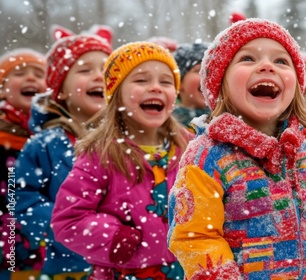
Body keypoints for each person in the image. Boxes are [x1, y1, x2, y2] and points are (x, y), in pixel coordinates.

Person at [167, 18, 306, 280]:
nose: (267, 66)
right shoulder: (206, 157)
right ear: (220, 81)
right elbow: (196, 237)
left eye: (281, 61)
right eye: (248, 58)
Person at [51, 41, 192, 279]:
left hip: (184, 270)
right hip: (122, 272)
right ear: (116, 94)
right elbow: (68, 220)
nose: (156, 88)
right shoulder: (100, 153)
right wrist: (112, 237)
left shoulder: (191, 147)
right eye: (141, 80)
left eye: (166, 82)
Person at [14, 25, 113, 279]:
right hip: (65, 263)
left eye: (105, 70)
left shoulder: (121, 141)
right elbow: (22, 197)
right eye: (84, 70)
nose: (97, 77)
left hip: (118, 262)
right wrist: (66, 226)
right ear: (61, 89)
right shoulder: (43, 144)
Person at [0, 48, 46, 279]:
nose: (31, 78)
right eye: (20, 73)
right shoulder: (2, 134)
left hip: (42, 243)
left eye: (39, 74)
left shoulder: (53, 136)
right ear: (2, 87)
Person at [172, 41, 210, 129]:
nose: (209, 76)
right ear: (179, 82)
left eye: (214, 70)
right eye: (199, 70)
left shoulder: (230, 124)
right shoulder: (165, 126)